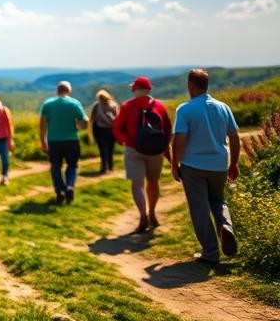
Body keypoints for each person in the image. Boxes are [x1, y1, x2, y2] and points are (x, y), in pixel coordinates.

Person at [171, 68, 241, 266]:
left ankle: (210, 252)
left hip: (193, 165)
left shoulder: (184, 109)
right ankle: (226, 226)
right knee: (218, 200)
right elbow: (235, 138)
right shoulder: (223, 107)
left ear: (190, 85)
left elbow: (180, 140)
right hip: (219, 165)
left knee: (199, 208)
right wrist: (234, 163)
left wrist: (175, 164)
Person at [112, 76, 172, 232]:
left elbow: (117, 128)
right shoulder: (160, 106)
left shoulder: (127, 106)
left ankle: (142, 214)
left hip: (134, 150)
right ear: (149, 89)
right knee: (153, 182)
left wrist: (127, 141)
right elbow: (167, 129)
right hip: (156, 151)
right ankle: (152, 213)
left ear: (135, 89)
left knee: (137, 184)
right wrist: (165, 148)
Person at [39, 81, 88, 204]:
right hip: (72, 140)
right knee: (72, 165)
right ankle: (69, 186)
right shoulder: (75, 103)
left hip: (54, 141)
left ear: (57, 91)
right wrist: (79, 126)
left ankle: (60, 191)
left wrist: (43, 141)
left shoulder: (48, 104)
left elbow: (42, 126)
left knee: (56, 167)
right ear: (69, 91)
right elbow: (85, 122)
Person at [90, 89, 119, 174]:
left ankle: (104, 168)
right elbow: (117, 117)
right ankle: (111, 166)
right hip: (111, 129)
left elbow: (92, 118)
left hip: (100, 129)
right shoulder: (114, 104)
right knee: (111, 148)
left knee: (103, 149)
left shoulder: (96, 105)